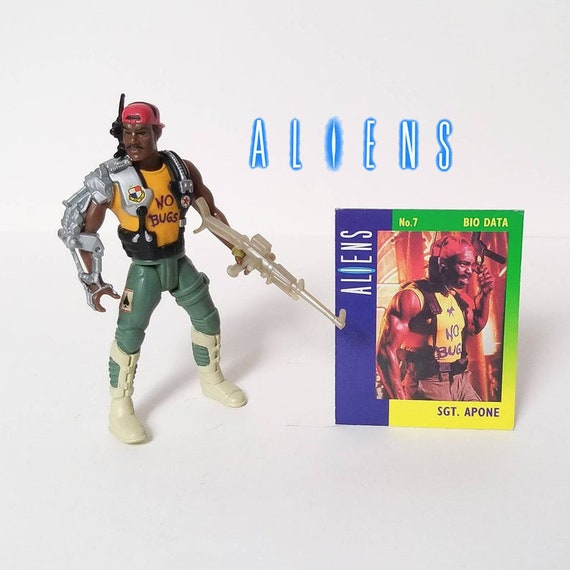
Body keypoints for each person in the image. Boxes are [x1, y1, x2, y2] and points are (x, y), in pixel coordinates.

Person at [59, 100, 246, 444]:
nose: (133, 140)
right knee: (129, 334)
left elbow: (210, 213)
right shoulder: (113, 179)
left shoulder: (180, 169)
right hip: (144, 271)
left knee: (207, 317)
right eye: (127, 132)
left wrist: (237, 246)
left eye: (142, 132)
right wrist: (93, 282)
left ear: (156, 132)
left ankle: (212, 380)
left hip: (178, 262)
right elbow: (83, 234)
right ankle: (120, 408)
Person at [376, 235, 495, 401]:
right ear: (442, 264)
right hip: (429, 385)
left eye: (471, 265)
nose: (470, 271)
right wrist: (400, 401)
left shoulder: (456, 297)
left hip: (461, 382)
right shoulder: (412, 298)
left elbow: (475, 326)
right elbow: (385, 352)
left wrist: (485, 294)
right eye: (463, 264)